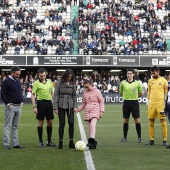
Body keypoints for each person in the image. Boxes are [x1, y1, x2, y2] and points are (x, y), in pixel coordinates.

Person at [75, 79, 104, 149]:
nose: (86, 88)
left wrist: (101, 111)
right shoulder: (85, 93)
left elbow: (101, 101)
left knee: (92, 125)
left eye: (87, 87)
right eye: (85, 87)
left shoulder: (97, 91)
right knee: (89, 128)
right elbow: (84, 103)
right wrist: (78, 109)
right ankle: (93, 144)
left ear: (91, 84)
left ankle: (91, 141)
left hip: (95, 110)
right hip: (87, 111)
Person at [53, 68, 77, 149]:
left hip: (70, 104)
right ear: (65, 75)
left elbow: (74, 95)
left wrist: (75, 106)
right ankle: (60, 142)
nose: (69, 78)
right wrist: (55, 107)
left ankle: (71, 141)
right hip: (61, 104)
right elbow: (56, 95)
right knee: (62, 124)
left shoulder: (73, 83)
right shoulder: (59, 82)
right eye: (68, 77)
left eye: (70, 77)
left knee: (71, 123)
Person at [31, 68, 56, 147]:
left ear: (46, 74)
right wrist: (34, 106)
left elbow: (52, 92)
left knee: (50, 122)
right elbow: (33, 95)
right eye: (41, 76)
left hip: (49, 103)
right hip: (41, 103)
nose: (43, 77)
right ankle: (41, 141)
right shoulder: (36, 83)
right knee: (41, 122)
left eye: (44, 76)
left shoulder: (49, 82)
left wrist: (52, 101)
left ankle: (49, 141)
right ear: (38, 75)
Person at [1, 66, 24, 150]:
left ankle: (15, 143)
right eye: (17, 74)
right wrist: (7, 104)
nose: (18, 75)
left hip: (18, 106)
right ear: (12, 72)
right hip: (10, 107)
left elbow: (19, 92)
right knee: (8, 126)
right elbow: (2, 94)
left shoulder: (17, 81)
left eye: (19, 74)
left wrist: (21, 101)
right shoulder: (6, 82)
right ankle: (7, 144)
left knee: (15, 126)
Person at [146, 66, 168, 146]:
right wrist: (147, 103)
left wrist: (165, 104)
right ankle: (151, 140)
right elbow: (148, 93)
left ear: (158, 72)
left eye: (154, 73)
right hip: (151, 105)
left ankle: (165, 140)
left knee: (163, 122)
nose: (152, 74)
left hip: (160, 105)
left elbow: (166, 94)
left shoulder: (164, 81)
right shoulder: (150, 81)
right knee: (151, 122)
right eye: (151, 73)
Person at [119, 68, 143, 143]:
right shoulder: (123, 83)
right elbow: (121, 93)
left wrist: (134, 97)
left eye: (130, 73)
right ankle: (125, 137)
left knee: (136, 119)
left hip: (134, 102)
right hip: (126, 102)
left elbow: (140, 93)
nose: (129, 75)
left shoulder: (137, 83)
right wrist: (126, 97)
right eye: (128, 73)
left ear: (133, 74)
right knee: (126, 120)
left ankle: (139, 137)